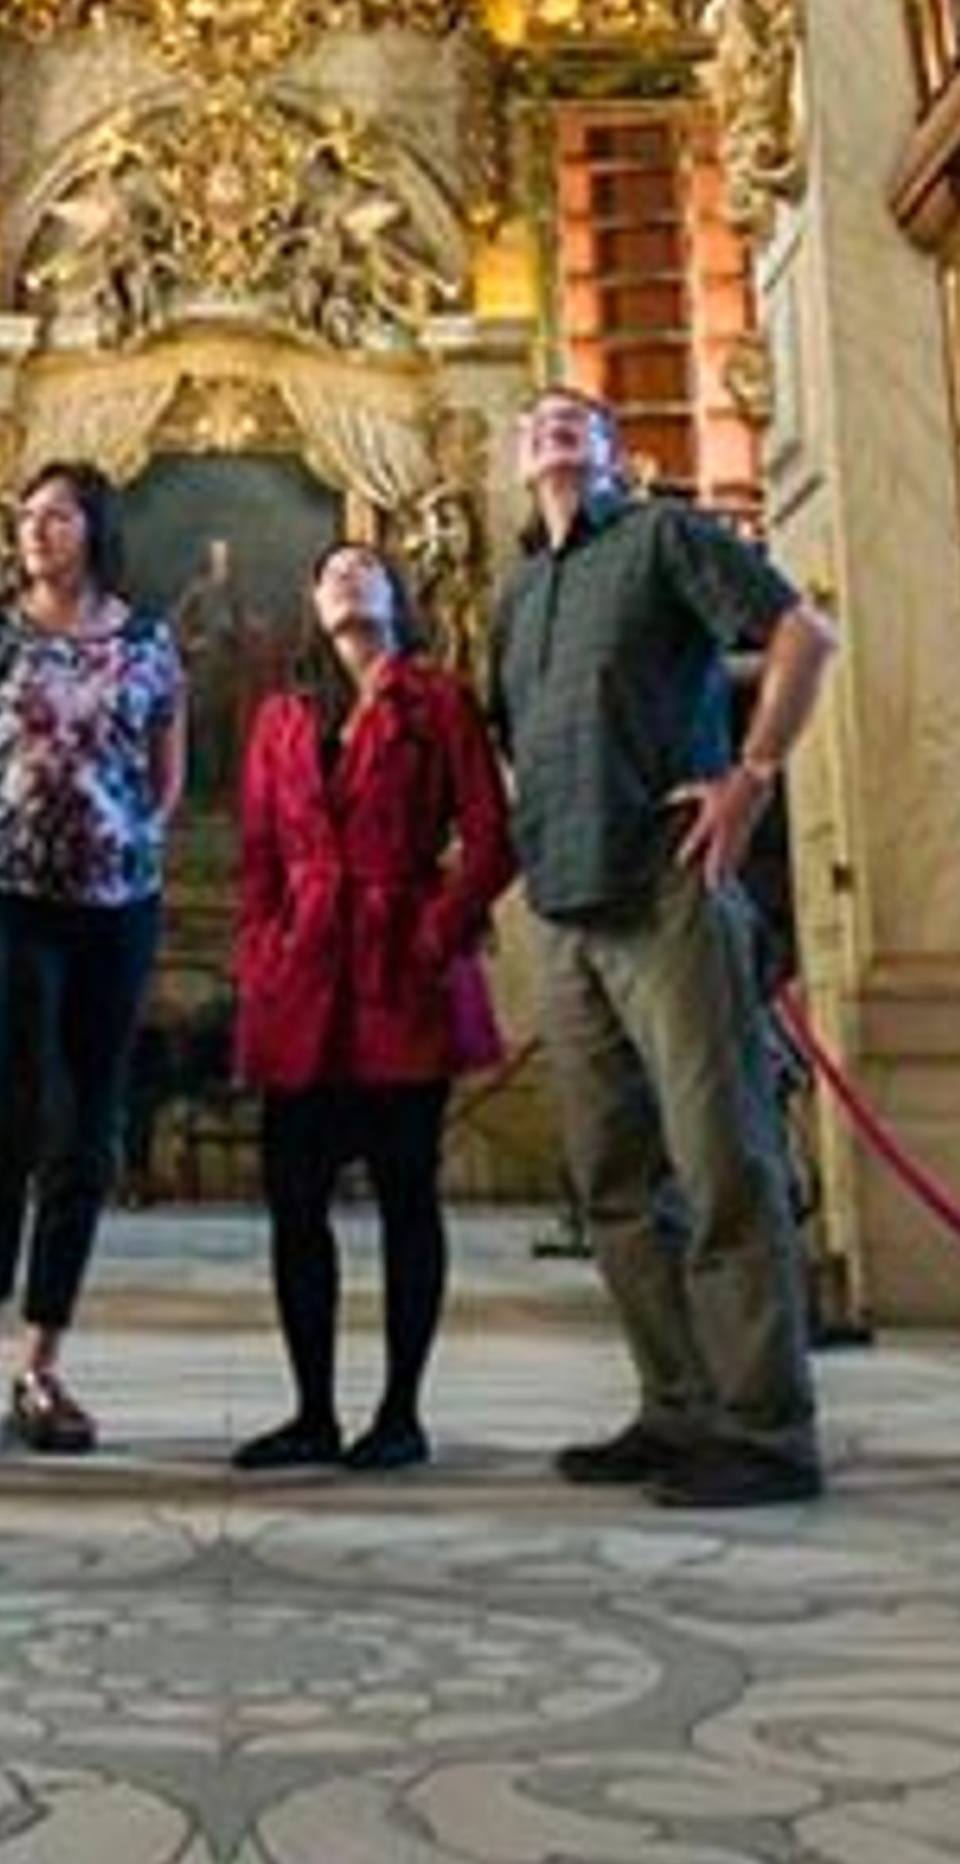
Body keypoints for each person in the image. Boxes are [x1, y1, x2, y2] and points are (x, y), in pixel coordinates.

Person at [493, 382, 839, 1510]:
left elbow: (804, 630)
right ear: (514, 460)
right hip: (564, 905)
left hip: (666, 887)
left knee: (722, 1160)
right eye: (535, 420)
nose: (551, 426)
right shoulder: (518, 593)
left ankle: (765, 1427)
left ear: (612, 452)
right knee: (614, 1178)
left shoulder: (662, 536)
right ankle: (677, 1404)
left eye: (577, 418)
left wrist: (754, 775)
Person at [0, 457, 183, 1457]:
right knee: (2, 1123)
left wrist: (129, 847)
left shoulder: (149, 638)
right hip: (14, 904)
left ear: (94, 530)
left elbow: (167, 766)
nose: (37, 531)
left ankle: (44, 1366)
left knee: (88, 1134)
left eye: (58, 516)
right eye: (27, 516)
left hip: (117, 910)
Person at [228, 540, 516, 1474]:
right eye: (329, 572)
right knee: (294, 1204)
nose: (347, 577)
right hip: (302, 975)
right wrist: (261, 953)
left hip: (401, 972)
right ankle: (310, 1410)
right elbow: (260, 857)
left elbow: (489, 838)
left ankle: (400, 1411)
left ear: (397, 595)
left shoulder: (438, 701)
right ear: (312, 603)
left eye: (364, 566)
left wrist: (437, 932)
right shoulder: (280, 716)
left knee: (406, 1197)